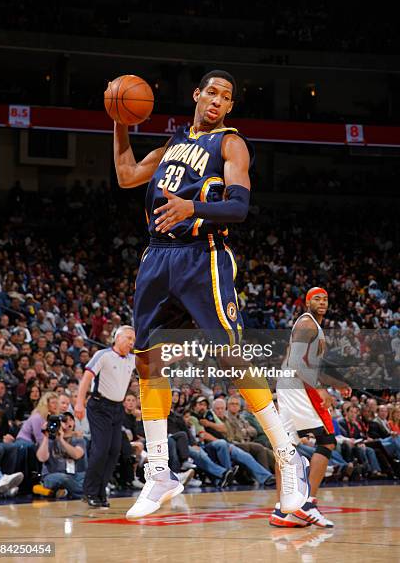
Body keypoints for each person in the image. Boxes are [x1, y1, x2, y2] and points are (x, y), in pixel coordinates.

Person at [114, 69, 309, 519]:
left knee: (229, 355)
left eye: (226, 96)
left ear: (229, 106)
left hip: (202, 254)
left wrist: (193, 206)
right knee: (147, 358)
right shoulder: (171, 146)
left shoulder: (229, 143)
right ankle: (159, 470)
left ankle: (286, 452)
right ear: (196, 95)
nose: (218, 100)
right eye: (212, 92)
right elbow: (126, 175)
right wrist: (120, 123)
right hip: (157, 255)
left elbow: (239, 207)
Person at [271, 287, 352, 529]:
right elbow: (296, 362)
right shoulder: (307, 325)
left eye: (326, 298)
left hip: (288, 385)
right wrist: (319, 388)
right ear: (307, 302)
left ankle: (283, 510)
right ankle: (307, 504)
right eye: (317, 298)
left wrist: (336, 383)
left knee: (287, 446)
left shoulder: (310, 326)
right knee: (327, 440)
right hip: (297, 387)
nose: (322, 302)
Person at [74, 326, 135, 508]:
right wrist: (79, 402)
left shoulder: (133, 359)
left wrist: (180, 354)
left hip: (118, 408)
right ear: (117, 338)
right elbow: (86, 377)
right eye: (128, 338)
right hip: (99, 407)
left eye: (133, 340)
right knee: (100, 450)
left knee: (114, 450)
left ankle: (100, 492)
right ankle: (89, 492)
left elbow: (155, 361)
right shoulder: (103, 355)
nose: (132, 342)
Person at [34, 412, 87, 499]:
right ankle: (82, 492)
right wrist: (46, 436)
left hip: (74, 476)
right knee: (63, 478)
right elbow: (41, 458)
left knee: (87, 477)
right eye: (64, 420)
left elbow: (77, 455)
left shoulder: (78, 440)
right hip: (53, 475)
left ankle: (65, 492)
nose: (68, 423)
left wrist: (62, 440)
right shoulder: (50, 440)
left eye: (70, 420)